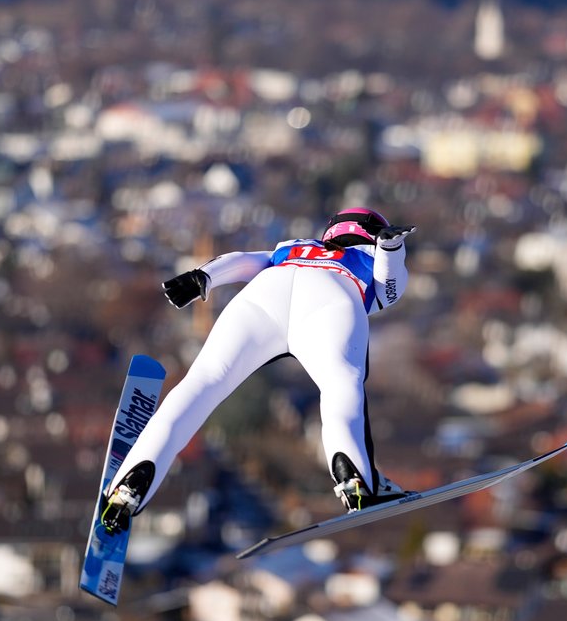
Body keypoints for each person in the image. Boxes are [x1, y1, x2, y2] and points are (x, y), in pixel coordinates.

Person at [102, 207, 416, 532]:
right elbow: (389, 288)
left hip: (265, 293)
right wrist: (391, 249)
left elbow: (244, 260)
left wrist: (203, 277)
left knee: (203, 382)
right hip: (332, 296)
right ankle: (356, 482)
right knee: (341, 386)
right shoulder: (366, 256)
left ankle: (131, 482)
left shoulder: (295, 245)